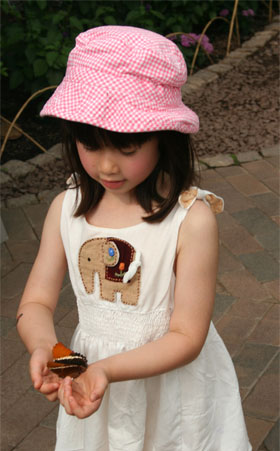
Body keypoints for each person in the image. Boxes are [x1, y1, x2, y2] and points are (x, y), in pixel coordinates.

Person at [17, 26, 251, 451]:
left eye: (127, 146)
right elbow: (35, 303)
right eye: (90, 143)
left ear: (165, 137)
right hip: (93, 384)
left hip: (174, 389)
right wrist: (55, 357)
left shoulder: (190, 220)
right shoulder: (66, 210)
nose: (106, 165)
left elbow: (186, 336)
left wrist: (103, 370)